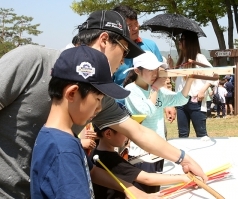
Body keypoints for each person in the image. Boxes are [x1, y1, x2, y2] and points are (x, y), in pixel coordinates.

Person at [0, 10, 207, 199]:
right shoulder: (31, 61)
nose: (125, 62)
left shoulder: (96, 94)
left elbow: (137, 132)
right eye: (125, 52)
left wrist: (183, 159)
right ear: (104, 40)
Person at [30, 45, 127, 198]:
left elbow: (92, 171)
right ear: (72, 93)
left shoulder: (57, 136)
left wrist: (129, 188)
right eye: (97, 99)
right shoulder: (64, 149)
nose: (99, 108)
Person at [123, 51, 197, 193]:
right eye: (150, 70)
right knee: (144, 192)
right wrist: (156, 88)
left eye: (156, 70)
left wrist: (190, 80)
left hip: (158, 149)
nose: (155, 74)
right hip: (141, 153)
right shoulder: (131, 90)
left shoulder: (156, 90)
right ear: (137, 71)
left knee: (155, 191)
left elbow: (179, 100)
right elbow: (146, 112)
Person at [112, 5, 177, 125]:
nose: (135, 28)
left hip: (151, 107)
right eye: (130, 25)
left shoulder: (150, 46)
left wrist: (169, 104)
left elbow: (162, 76)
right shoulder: (112, 50)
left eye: (136, 23)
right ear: (119, 26)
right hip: (120, 110)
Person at [92, 123, 192, 199]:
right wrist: (183, 178)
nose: (129, 136)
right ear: (108, 134)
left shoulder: (94, 152)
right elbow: (147, 179)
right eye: (125, 132)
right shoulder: (112, 160)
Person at [168, 30, 214, 138]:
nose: (179, 41)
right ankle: (184, 155)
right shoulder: (182, 59)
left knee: (201, 134)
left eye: (182, 39)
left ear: (189, 42)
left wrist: (203, 90)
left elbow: (213, 75)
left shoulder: (199, 58)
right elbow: (176, 80)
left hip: (195, 100)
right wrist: (171, 67)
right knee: (182, 134)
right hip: (180, 100)